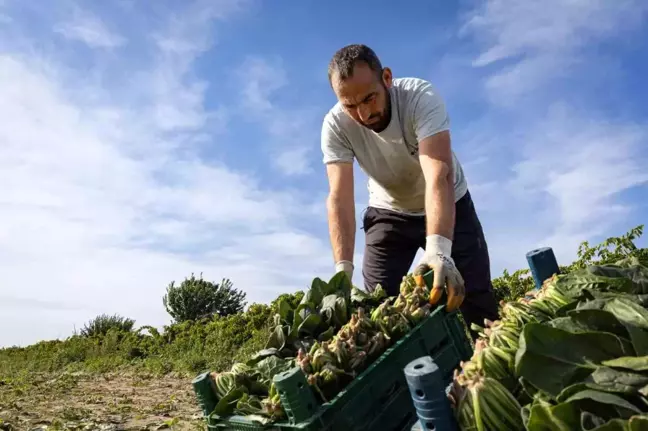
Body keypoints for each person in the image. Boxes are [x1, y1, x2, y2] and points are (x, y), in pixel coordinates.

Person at [320, 44, 499, 336]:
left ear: (387, 78)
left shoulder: (419, 97)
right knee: (378, 310)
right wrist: (343, 270)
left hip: (447, 201)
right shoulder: (335, 126)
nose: (363, 114)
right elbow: (339, 197)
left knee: (476, 302)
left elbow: (438, 172)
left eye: (370, 98)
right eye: (350, 106)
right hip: (389, 211)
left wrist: (439, 250)